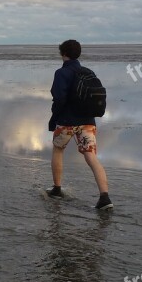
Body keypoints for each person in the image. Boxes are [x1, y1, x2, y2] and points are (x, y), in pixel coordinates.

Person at [47, 40, 113, 210]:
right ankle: (104, 197)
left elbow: (59, 98)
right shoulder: (88, 72)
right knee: (91, 156)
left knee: (58, 149)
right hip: (88, 122)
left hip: (67, 122)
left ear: (63, 53)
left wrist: (54, 118)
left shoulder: (62, 73)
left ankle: (57, 188)